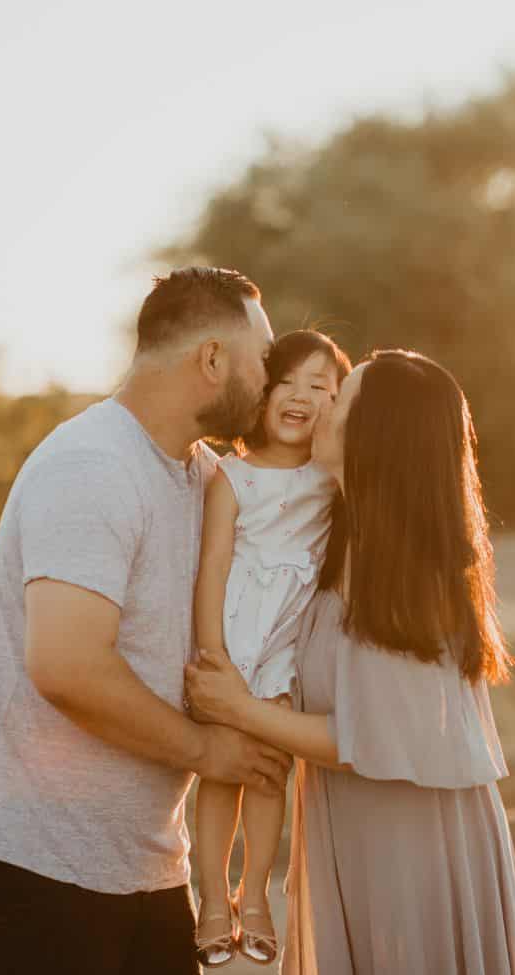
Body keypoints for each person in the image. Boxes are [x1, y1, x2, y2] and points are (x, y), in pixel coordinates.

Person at [0, 267, 290, 975]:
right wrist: (206, 751)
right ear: (212, 360)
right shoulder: (91, 466)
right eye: (264, 360)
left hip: (142, 857)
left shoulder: (203, 476)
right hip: (37, 850)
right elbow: (66, 665)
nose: (273, 381)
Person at [187, 349, 515, 974]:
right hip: (353, 828)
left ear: (371, 434)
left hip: (413, 846)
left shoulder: (414, 576)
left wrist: (235, 708)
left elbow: (363, 734)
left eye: (340, 397)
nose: (321, 404)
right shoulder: (339, 542)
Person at [190, 329, 352, 967]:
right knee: (220, 772)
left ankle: (253, 895)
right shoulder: (229, 477)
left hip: (287, 647)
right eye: (288, 380)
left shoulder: (328, 480)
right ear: (261, 391)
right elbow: (211, 567)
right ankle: (211, 898)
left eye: (321, 387)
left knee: (267, 775)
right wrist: (211, 656)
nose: (301, 396)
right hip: (230, 642)